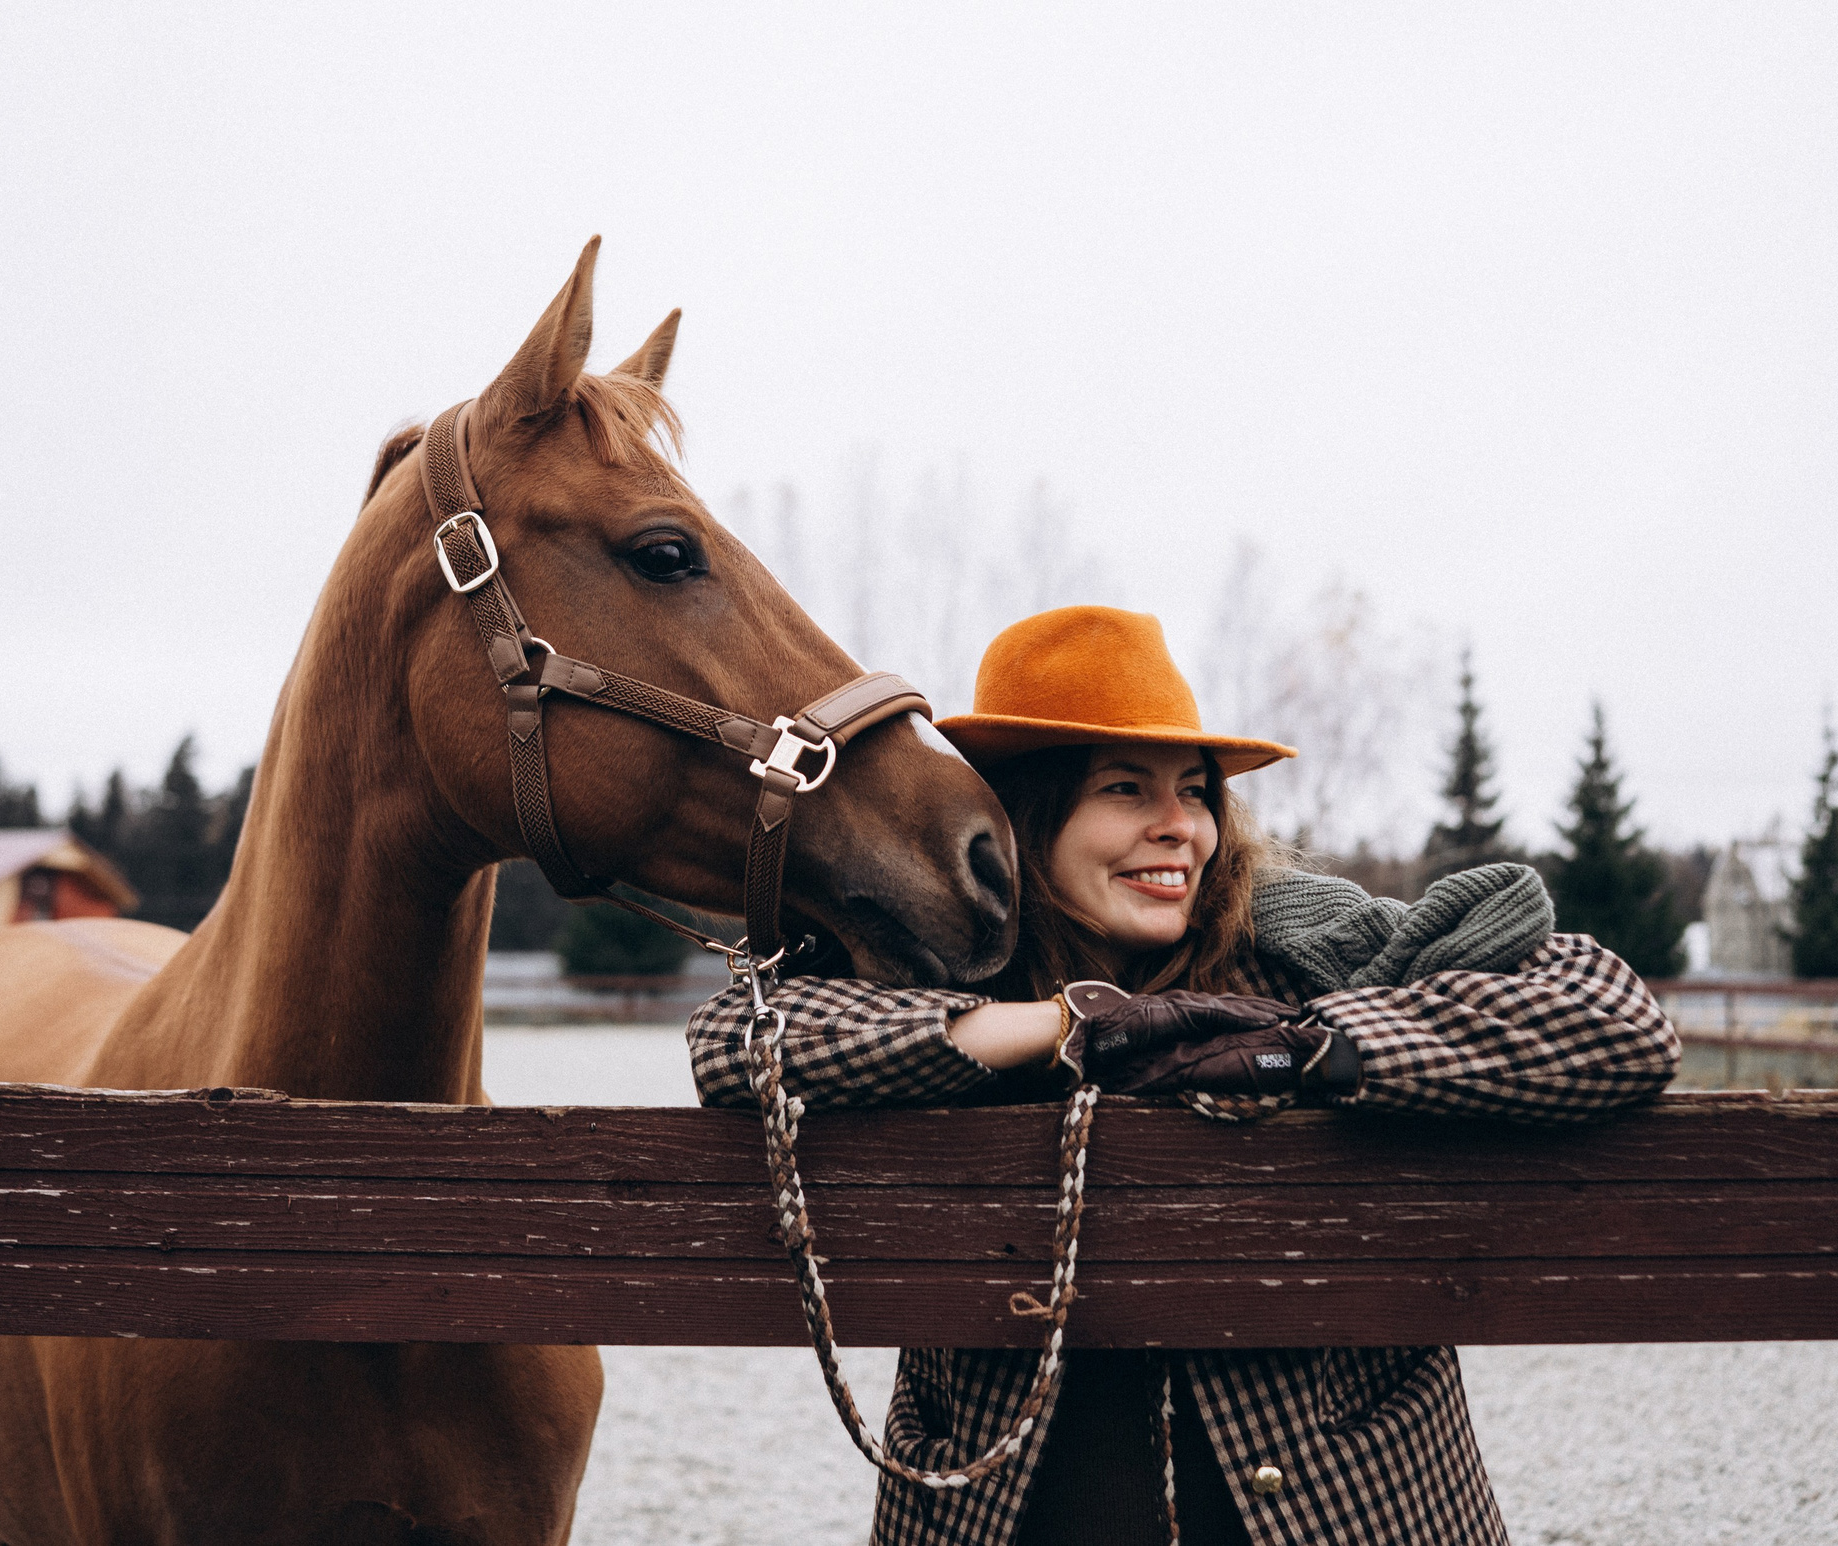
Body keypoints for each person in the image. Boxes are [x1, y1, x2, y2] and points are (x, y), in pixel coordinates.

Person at [689, 606, 1680, 1546]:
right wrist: (1056, 1024)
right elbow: (740, 1038)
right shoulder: (948, 963)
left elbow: (1613, 1013)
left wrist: (1313, 1046)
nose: (1179, 825)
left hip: (1334, 1505)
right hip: (1008, 1508)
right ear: (1030, 816)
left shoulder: (1305, 944)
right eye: (1125, 788)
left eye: (1195, 790)